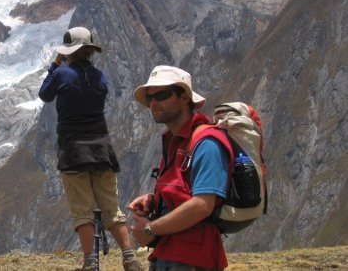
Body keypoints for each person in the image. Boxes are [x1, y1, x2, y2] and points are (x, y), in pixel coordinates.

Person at [39, 26, 142, 271]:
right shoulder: (101, 77)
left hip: (73, 150)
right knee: (110, 207)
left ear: (69, 51)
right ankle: (129, 257)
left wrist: (56, 64)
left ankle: (90, 263)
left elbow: (45, 94)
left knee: (82, 210)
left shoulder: (62, 73)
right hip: (102, 149)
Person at [127, 65, 232, 271]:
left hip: (192, 258)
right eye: (150, 99)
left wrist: (150, 229)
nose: (154, 103)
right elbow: (183, 190)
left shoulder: (207, 143)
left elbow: (202, 204)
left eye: (162, 95)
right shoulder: (175, 142)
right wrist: (154, 199)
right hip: (169, 253)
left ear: (184, 97)